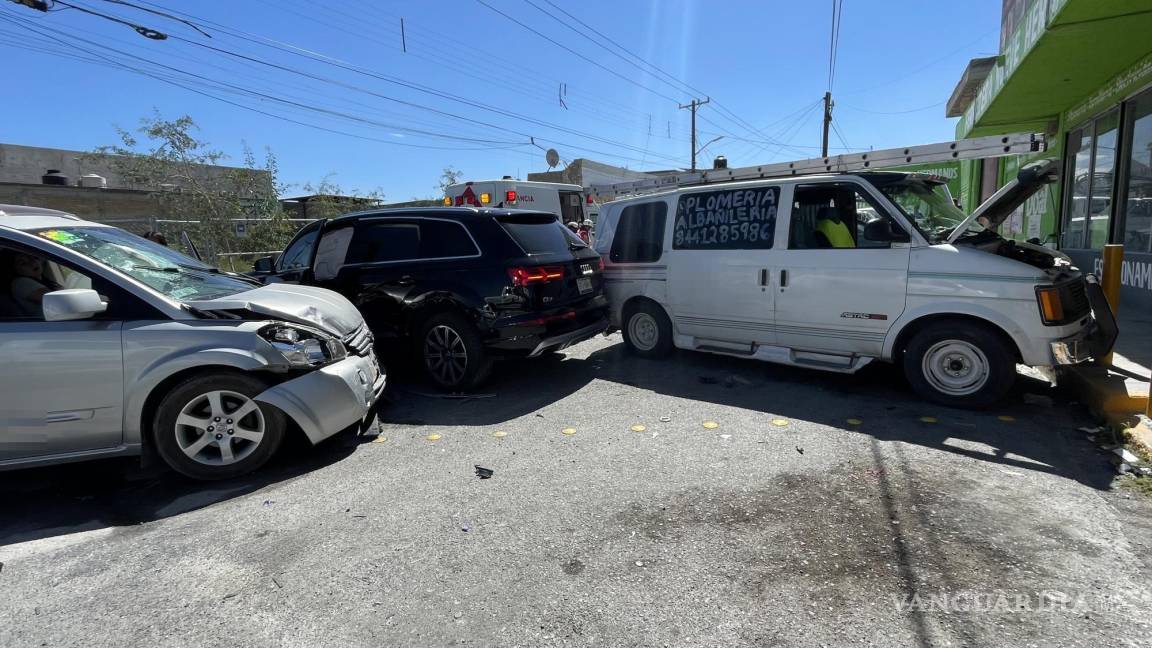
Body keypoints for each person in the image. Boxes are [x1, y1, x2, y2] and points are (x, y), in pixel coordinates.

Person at [9, 252, 58, 316]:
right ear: (16, 270)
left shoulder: (46, 281)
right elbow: (55, 299)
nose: (32, 263)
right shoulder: (21, 282)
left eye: (33, 258)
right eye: (23, 263)